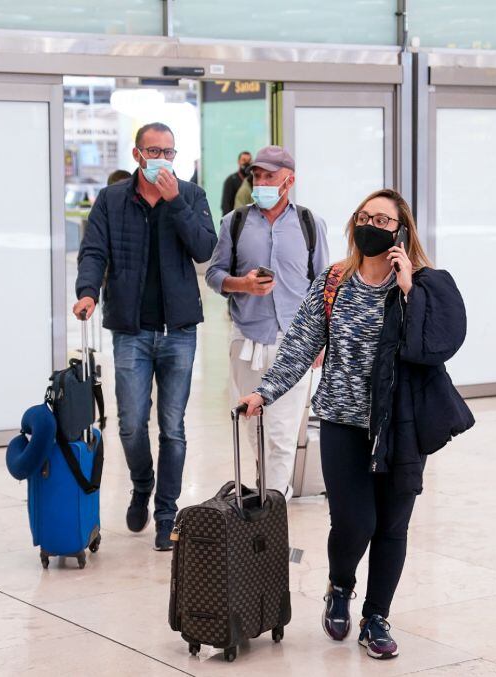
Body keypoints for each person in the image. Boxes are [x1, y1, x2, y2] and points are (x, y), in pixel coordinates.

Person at [238, 189, 474, 660]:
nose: (372, 224)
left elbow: (442, 341)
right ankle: (340, 585)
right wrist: (266, 391)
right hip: (343, 421)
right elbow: (302, 344)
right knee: (354, 522)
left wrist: (408, 287)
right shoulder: (334, 281)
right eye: (365, 216)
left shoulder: (424, 285)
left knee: (392, 525)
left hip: (400, 425)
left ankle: (377, 616)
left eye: (383, 220)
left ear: (401, 231)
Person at [73, 122, 218, 551]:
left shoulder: (191, 196)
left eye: (169, 152)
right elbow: (94, 250)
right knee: (132, 424)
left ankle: (166, 514)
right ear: (137, 155)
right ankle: (142, 483)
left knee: (172, 428)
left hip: (180, 331)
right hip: (131, 329)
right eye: (154, 151)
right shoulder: (112, 199)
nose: (162, 159)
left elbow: (205, 249)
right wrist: (86, 292)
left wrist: (176, 204)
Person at [205, 145, 329, 501]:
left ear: (288, 180)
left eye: (269, 176)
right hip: (248, 339)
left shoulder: (309, 224)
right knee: (255, 427)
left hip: (295, 342)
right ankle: (269, 491)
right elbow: (214, 274)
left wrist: (322, 340)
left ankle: (274, 504)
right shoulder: (235, 222)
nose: (261, 182)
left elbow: (324, 285)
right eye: (257, 175)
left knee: (283, 430)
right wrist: (240, 284)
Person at [220, 151, 252, 215]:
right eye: (244, 160)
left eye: (249, 160)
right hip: (236, 218)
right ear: (238, 162)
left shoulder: (254, 180)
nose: (246, 163)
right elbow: (226, 204)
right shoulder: (231, 180)